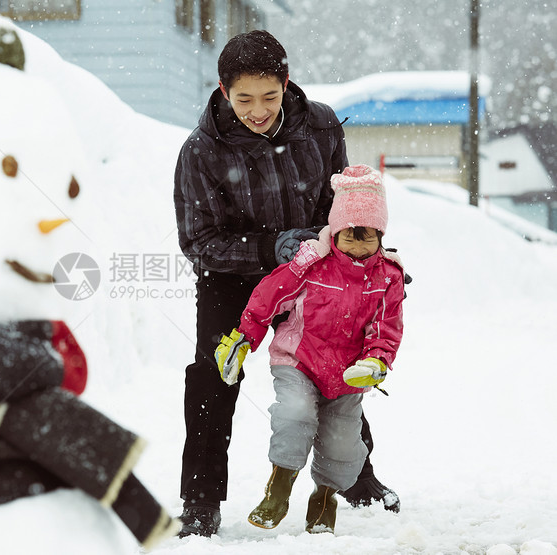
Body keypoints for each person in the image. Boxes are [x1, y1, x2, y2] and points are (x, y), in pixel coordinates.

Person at [173, 30, 396, 539]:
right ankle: (200, 500)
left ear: (287, 84)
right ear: (224, 91)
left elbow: (341, 204)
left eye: (269, 97)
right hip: (231, 277)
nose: (258, 110)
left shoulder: (319, 125)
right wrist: (269, 247)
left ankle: (358, 478)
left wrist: (346, 254)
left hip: (313, 266)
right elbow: (199, 241)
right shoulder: (201, 150)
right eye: (244, 98)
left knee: (333, 366)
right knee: (214, 371)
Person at [215, 164, 404, 534]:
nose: (358, 246)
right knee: (295, 414)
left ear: (381, 235)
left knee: (342, 445)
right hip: (299, 362)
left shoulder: (388, 277)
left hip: (348, 373)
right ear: (335, 230)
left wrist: (376, 361)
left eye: (369, 238)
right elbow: (268, 297)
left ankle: (324, 500)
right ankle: (278, 488)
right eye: (350, 236)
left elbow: (387, 328)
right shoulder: (311, 262)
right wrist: (244, 337)